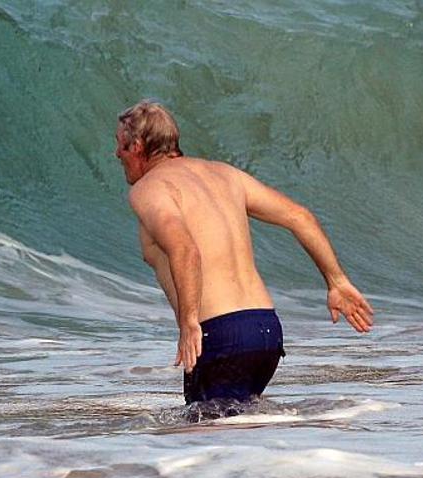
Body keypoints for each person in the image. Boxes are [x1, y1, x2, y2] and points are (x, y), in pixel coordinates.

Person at [115, 100, 373, 404]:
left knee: (204, 432)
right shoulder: (225, 174)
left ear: (137, 146)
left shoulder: (151, 188)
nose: (117, 153)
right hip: (265, 330)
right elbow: (299, 216)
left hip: (219, 334)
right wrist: (337, 281)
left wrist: (189, 322)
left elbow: (185, 249)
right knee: (236, 429)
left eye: (120, 144)